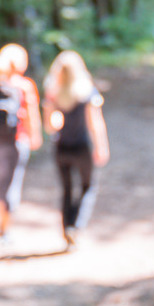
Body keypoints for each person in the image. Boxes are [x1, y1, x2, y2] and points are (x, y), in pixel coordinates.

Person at [42, 50, 109, 250]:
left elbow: (50, 127)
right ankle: (76, 226)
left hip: (62, 147)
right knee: (88, 187)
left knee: (67, 190)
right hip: (82, 147)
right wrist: (101, 146)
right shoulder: (87, 92)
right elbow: (95, 123)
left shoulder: (54, 94)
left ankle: (66, 228)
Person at [0, 44, 42, 243]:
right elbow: (31, 114)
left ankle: (1, 223)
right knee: (12, 182)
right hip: (16, 140)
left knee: (0, 181)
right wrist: (36, 136)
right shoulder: (24, 85)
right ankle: (6, 229)